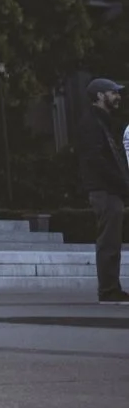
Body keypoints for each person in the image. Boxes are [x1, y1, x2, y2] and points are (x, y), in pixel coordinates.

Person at [77, 78, 127, 303]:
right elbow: (95, 159)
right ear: (99, 96)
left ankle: (111, 287)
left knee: (112, 240)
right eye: (113, 92)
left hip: (109, 190)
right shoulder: (92, 123)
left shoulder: (102, 122)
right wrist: (120, 183)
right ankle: (108, 290)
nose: (118, 96)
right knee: (109, 241)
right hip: (104, 190)